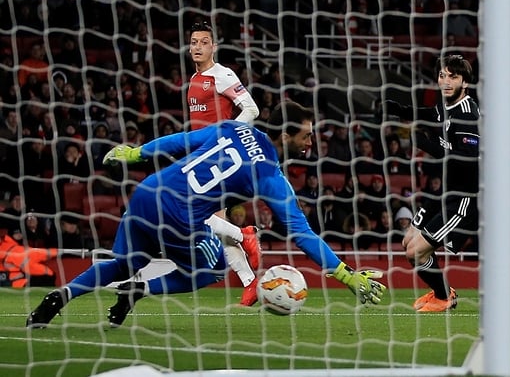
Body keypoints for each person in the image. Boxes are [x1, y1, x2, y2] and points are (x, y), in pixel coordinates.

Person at [26, 102, 386, 328]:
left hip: (148, 191)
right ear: (284, 135)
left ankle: (60, 297)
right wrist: (346, 274)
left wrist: (136, 153)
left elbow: (180, 141)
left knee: (123, 263)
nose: (310, 144)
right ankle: (142, 289)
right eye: (305, 137)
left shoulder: (234, 128)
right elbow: (302, 233)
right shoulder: (269, 175)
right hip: (178, 214)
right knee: (212, 269)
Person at [384, 54, 479, 312]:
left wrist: (428, 144)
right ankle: (443, 292)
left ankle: (444, 296)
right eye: (442, 75)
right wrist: (400, 110)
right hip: (443, 191)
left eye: (453, 77)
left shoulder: (468, 115)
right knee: (408, 242)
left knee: (415, 252)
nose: (446, 81)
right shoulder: (445, 105)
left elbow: (468, 160)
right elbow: (431, 114)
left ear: (465, 83)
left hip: (463, 197)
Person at [185, 20, 263, 306]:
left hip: (219, 156)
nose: (198, 47)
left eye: (204, 42)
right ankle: (250, 283)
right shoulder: (194, 79)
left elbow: (251, 109)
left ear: (214, 47)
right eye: (194, 42)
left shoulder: (223, 74)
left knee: (197, 216)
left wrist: (225, 136)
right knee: (215, 222)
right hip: (201, 156)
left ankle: (245, 235)